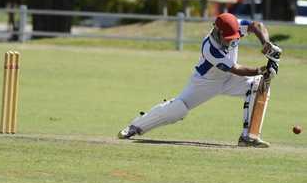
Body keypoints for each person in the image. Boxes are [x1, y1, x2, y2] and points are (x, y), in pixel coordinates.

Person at [118, 13, 280, 148]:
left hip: (229, 79)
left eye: (233, 37)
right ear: (218, 31)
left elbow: (257, 25)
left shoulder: (235, 26)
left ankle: (248, 137)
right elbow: (235, 68)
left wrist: (266, 43)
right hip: (205, 82)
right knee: (177, 110)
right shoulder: (209, 47)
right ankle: (135, 126)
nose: (231, 41)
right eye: (228, 38)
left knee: (260, 85)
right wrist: (262, 70)